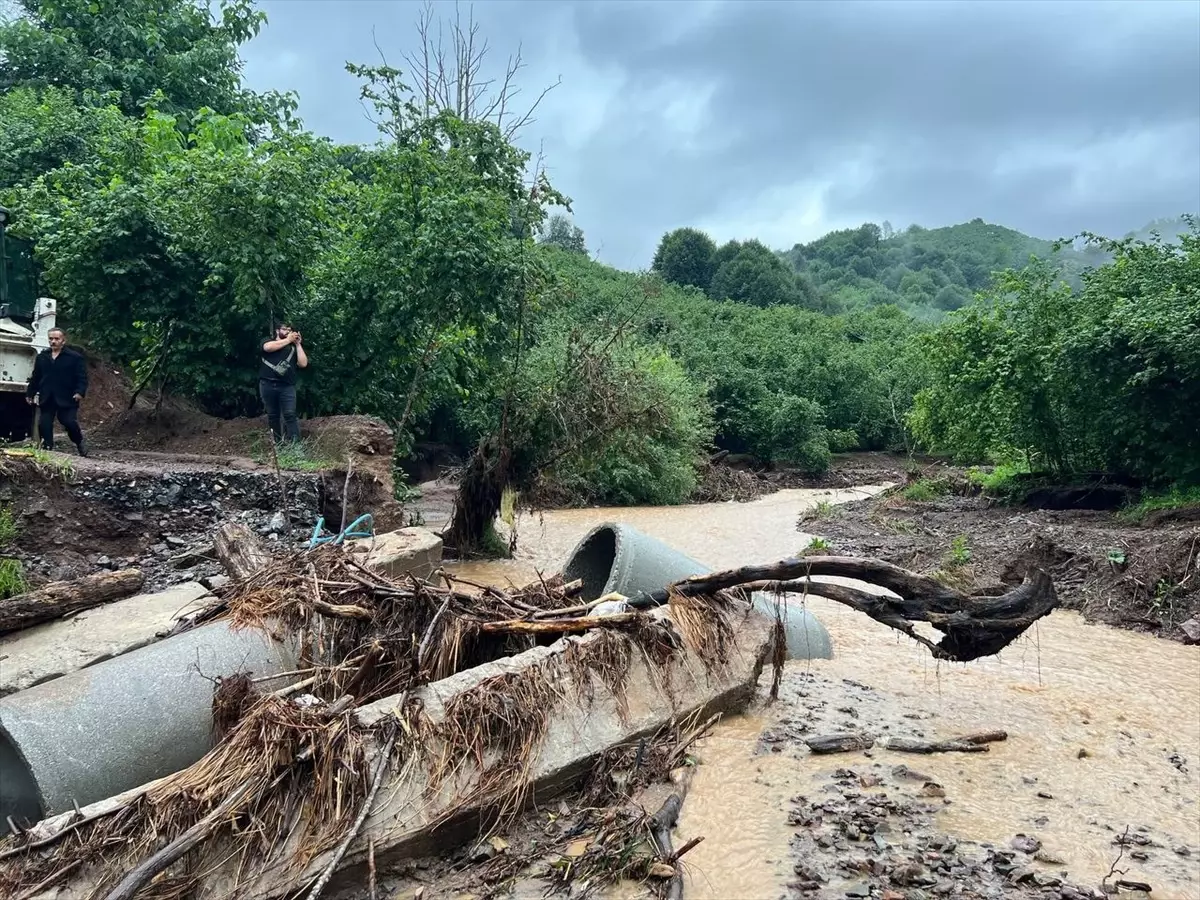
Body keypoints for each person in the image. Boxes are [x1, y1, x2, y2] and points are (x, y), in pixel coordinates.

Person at [25, 326, 89, 456]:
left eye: (56, 339)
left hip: (67, 396)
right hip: (47, 395)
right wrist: (30, 393)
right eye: (51, 339)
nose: (53, 341)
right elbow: (36, 376)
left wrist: (79, 391)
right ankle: (48, 449)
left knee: (69, 422)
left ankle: (79, 442)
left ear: (63, 341)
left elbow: (82, 377)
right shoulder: (42, 356)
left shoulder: (74, 357)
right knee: (44, 423)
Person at [259, 322, 308, 444]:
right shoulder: (268, 341)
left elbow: (303, 363)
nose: (287, 332)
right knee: (273, 415)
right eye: (285, 329)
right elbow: (267, 348)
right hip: (267, 384)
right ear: (277, 331)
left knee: (290, 414)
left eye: (290, 330)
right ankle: (277, 444)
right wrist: (288, 340)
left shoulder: (292, 348)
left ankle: (295, 446)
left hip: (286, 386)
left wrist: (297, 344)